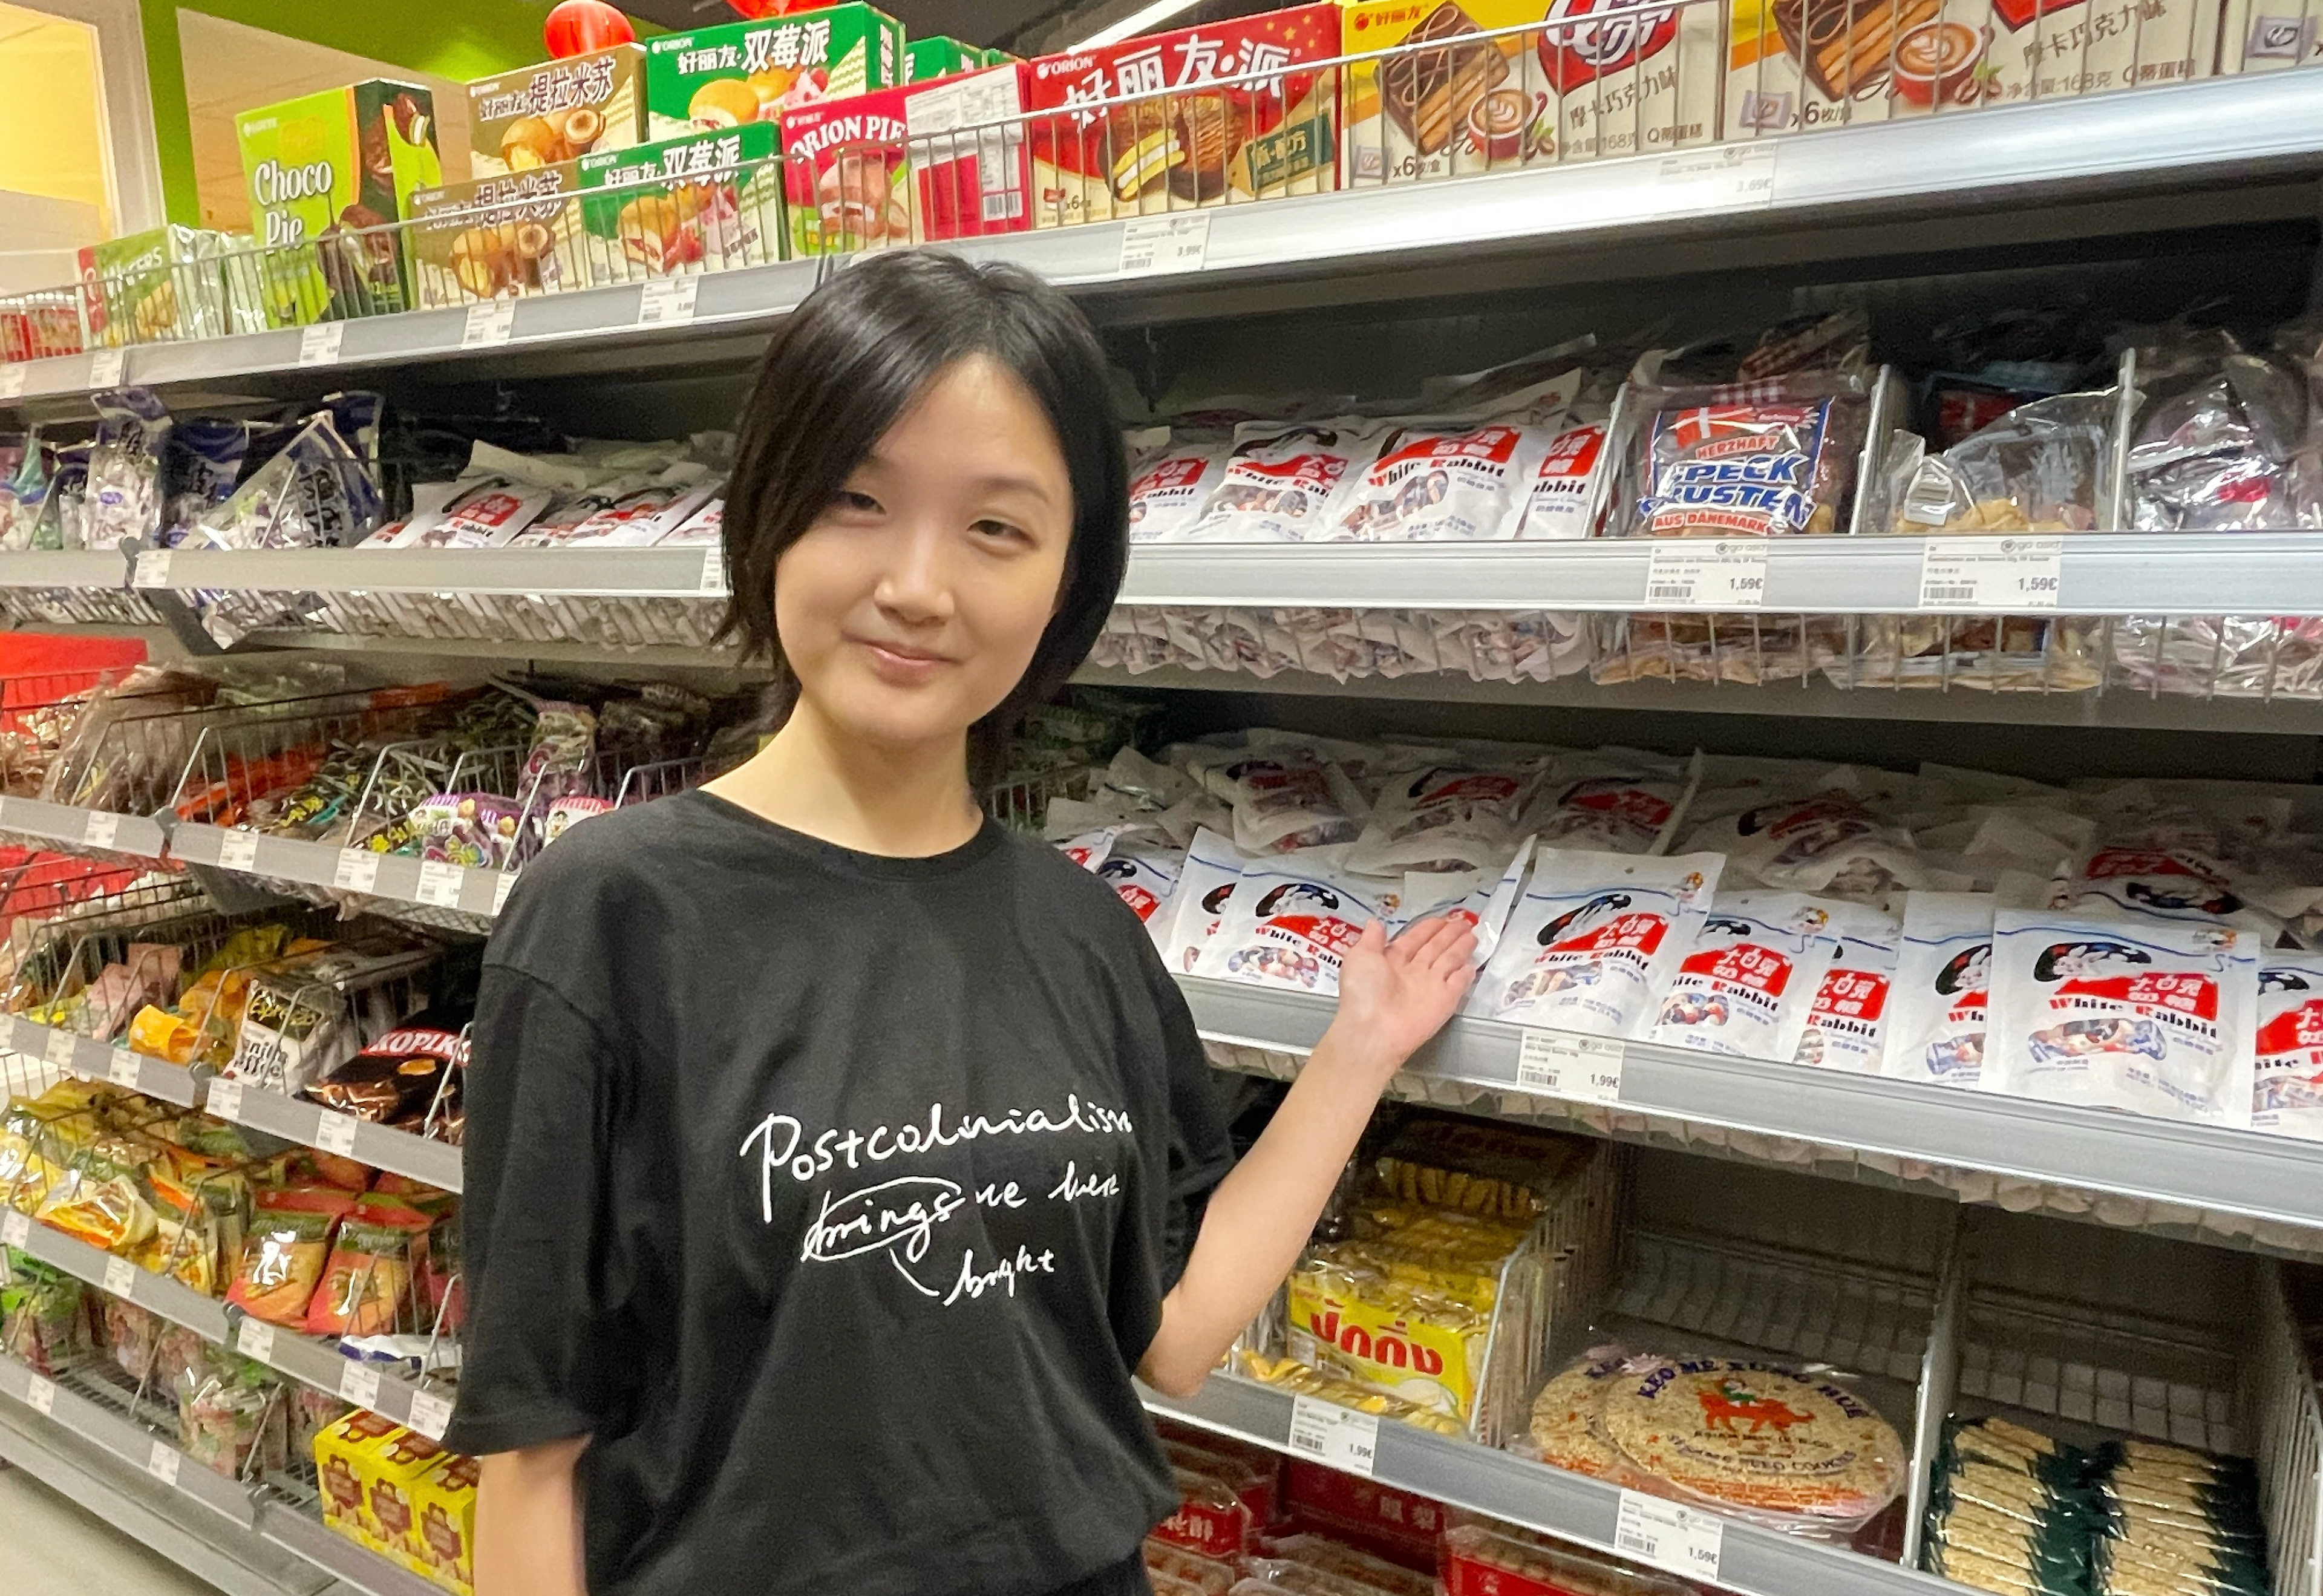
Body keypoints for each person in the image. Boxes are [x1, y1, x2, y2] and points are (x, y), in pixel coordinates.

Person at [445, 251, 1478, 1596]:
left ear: (1067, 580)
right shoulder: (611, 913)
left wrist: (1358, 1052)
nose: (919, 586)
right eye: (857, 499)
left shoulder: (1083, 932)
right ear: (768, 516)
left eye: (997, 527)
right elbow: (531, 1449)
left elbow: (1172, 1336)